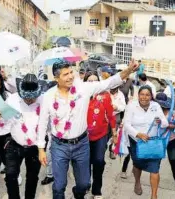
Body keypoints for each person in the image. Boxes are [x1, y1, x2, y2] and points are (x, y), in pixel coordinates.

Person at [37, 59, 139, 199]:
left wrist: (128, 70)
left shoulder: (83, 89)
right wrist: (41, 149)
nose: (70, 76)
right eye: (65, 74)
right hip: (59, 146)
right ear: (56, 78)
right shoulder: (48, 96)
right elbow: (42, 123)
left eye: (71, 72)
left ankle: (78, 194)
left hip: (81, 145)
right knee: (59, 186)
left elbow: (108, 83)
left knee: (84, 184)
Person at [123, 85, 168, 199]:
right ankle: (137, 182)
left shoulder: (156, 105)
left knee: (155, 168)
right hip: (136, 142)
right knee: (137, 165)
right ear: (138, 95)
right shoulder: (131, 106)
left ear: (151, 96)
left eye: (147, 95)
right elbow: (127, 125)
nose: (144, 97)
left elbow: (165, 123)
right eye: (142, 94)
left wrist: (160, 121)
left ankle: (154, 195)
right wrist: (138, 134)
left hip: (153, 143)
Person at [5, 74, 43, 199]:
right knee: (10, 176)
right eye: (26, 98)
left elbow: (48, 125)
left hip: (35, 146)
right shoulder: (12, 99)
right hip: (15, 144)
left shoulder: (44, 100)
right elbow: (2, 120)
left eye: (32, 98)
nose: (29, 100)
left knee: (32, 178)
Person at [84, 71, 117, 198]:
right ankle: (86, 184)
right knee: (85, 162)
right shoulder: (80, 96)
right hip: (83, 136)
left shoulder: (106, 96)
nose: (92, 83)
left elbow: (111, 116)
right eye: (89, 81)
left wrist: (114, 133)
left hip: (101, 135)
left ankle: (97, 191)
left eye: (95, 81)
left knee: (98, 161)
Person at [155, 93, 175, 188]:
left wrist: (166, 124)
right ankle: (155, 179)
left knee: (173, 160)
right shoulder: (154, 112)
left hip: (171, 140)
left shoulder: (174, 113)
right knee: (157, 160)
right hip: (158, 140)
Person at [109, 86, 126, 159]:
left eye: (114, 89)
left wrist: (117, 107)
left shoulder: (121, 95)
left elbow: (123, 107)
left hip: (116, 115)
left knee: (114, 134)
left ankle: (111, 150)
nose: (112, 90)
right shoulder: (106, 92)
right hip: (105, 115)